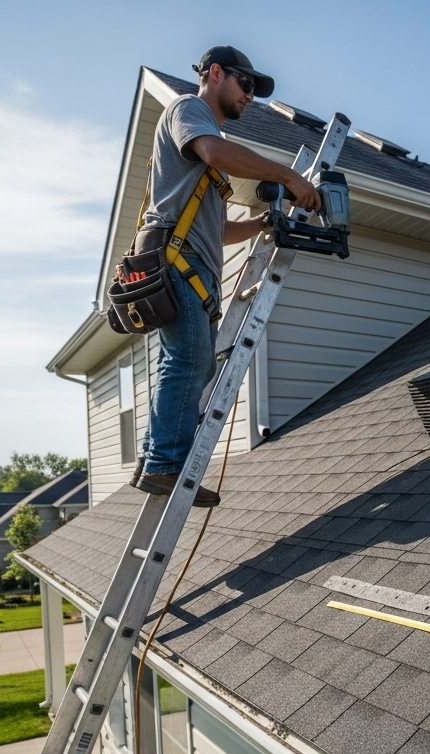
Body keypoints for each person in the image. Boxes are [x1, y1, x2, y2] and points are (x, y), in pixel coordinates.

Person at [130, 45, 322, 506]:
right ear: (215, 73)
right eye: (246, 84)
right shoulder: (188, 110)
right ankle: (164, 466)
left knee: (181, 363)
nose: (250, 96)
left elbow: (216, 232)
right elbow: (216, 151)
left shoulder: (201, 151)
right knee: (190, 362)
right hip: (179, 262)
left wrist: (259, 224)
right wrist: (290, 177)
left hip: (187, 261)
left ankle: (153, 458)